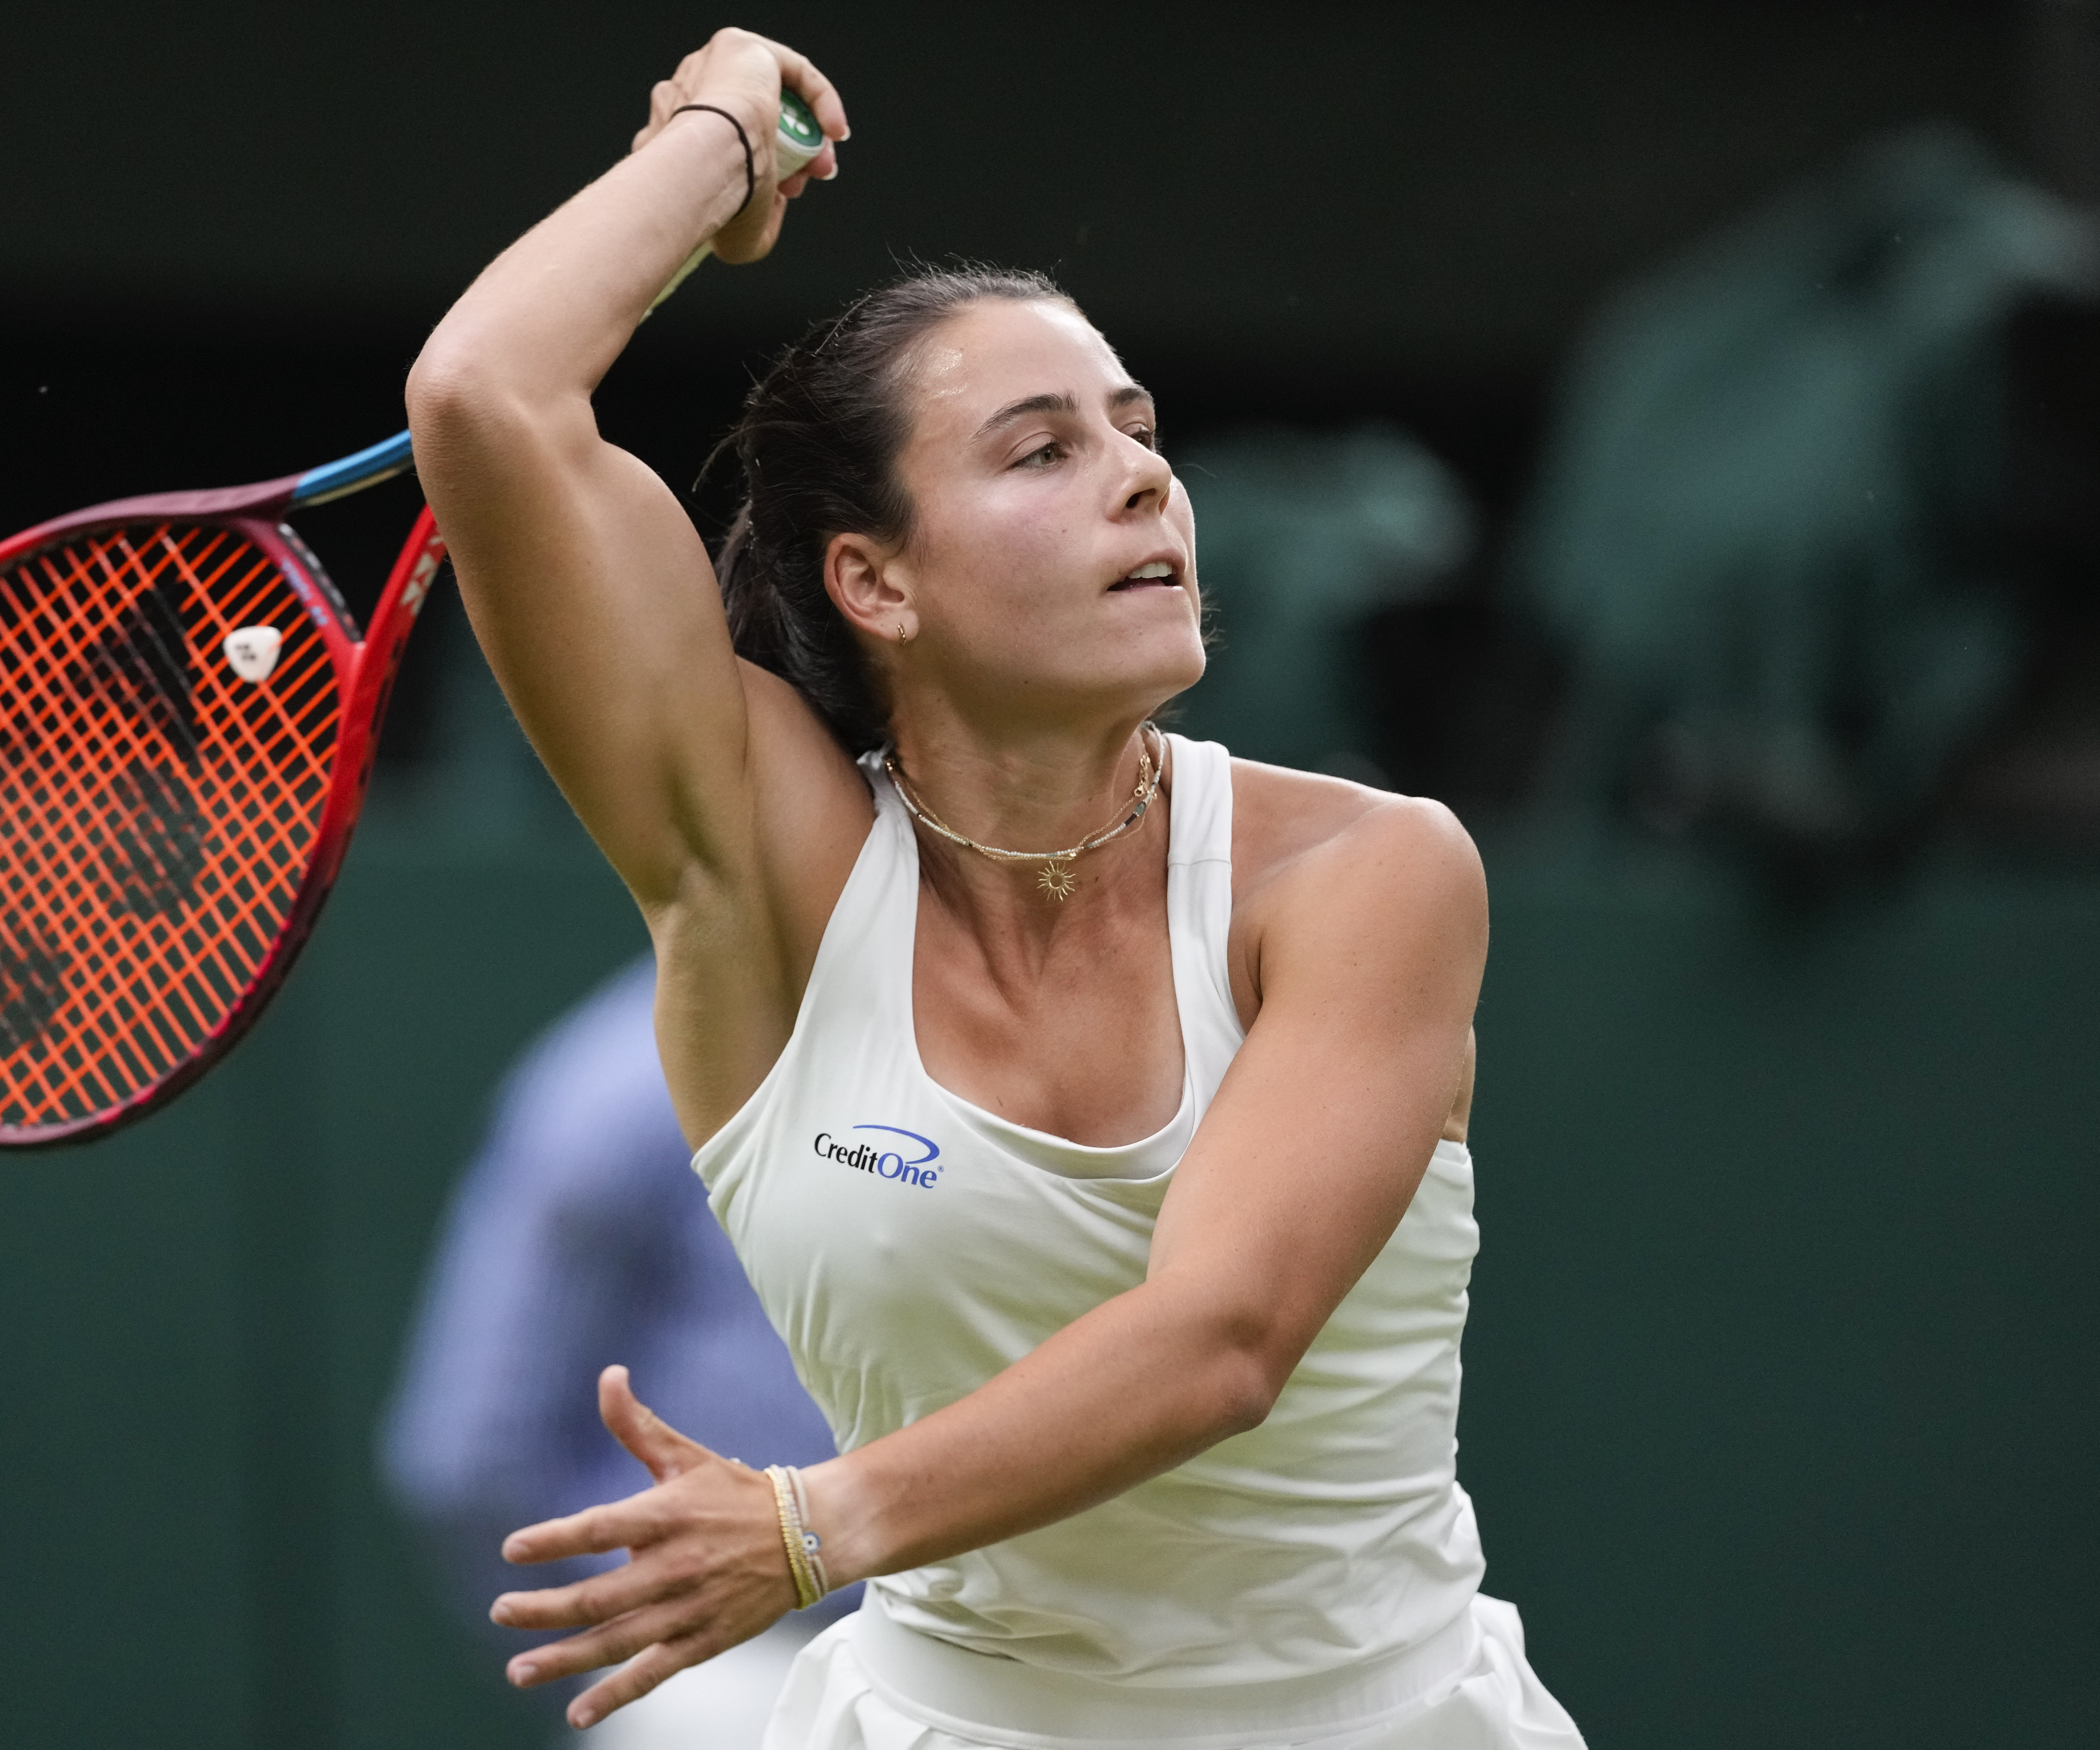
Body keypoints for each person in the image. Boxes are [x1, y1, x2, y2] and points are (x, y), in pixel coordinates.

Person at [404, 27, 1586, 1748]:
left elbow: (1220, 1332)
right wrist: (719, 145)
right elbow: (485, 398)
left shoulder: (1368, 870)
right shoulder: (763, 878)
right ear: (873, 579)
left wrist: (807, 1521)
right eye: (1039, 450)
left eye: (1137, 430)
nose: (1140, 475)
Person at [380, 955, 855, 1749]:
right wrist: (612, 1643)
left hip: (1009, 1654)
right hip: (740, 1667)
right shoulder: (621, 1080)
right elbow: (465, 1451)